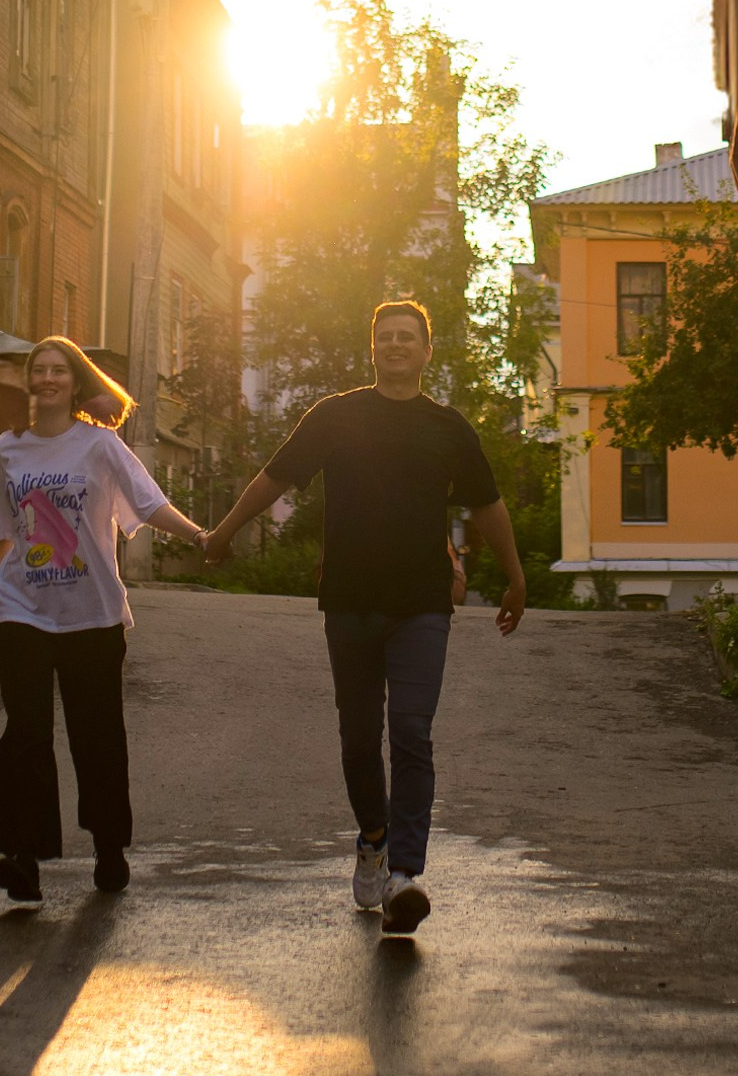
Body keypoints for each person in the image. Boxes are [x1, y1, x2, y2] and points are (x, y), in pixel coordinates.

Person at [201, 295, 527, 935]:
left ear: (426, 351)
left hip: (422, 604)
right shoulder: (337, 417)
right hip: (348, 600)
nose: (398, 345)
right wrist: (225, 530)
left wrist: (516, 577)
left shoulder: (448, 428)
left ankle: (405, 874)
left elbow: (488, 504)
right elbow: (276, 475)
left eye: (409, 337)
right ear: (373, 347)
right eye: (387, 337)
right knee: (357, 739)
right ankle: (373, 837)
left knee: (410, 729)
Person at [0, 334, 207, 907]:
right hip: (21, 609)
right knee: (25, 733)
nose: (48, 379)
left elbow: (148, 504)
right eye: (39, 370)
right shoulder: (7, 450)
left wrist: (201, 536)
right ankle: (23, 859)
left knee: (96, 734)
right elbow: (3, 529)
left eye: (59, 370)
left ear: (75, 382)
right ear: (29, 381)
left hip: (92, 613)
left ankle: (109, 846)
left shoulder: (100, 447)